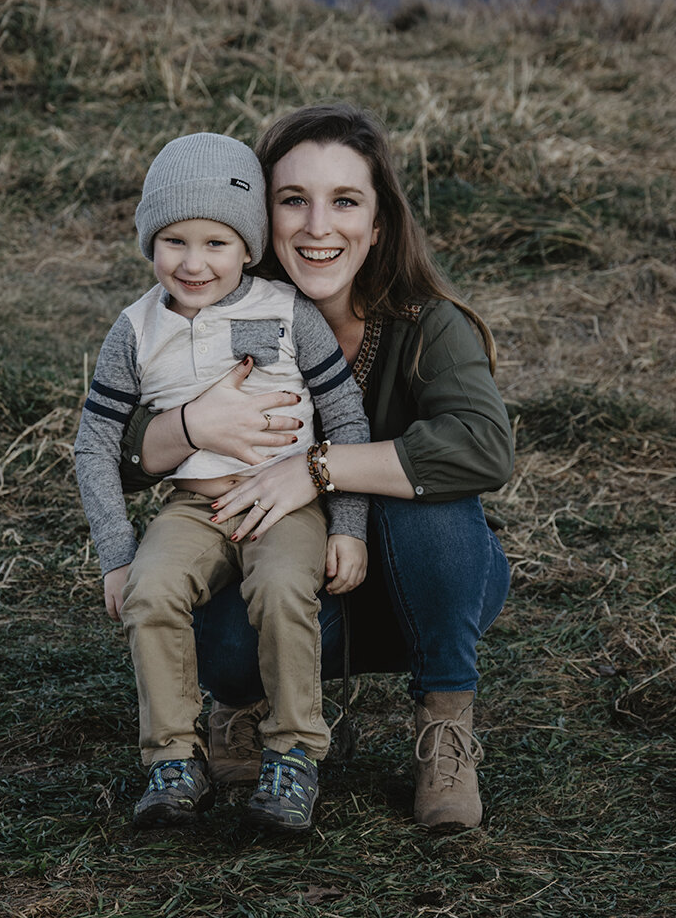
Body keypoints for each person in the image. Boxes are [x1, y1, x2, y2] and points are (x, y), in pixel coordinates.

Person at [117, 104, 513, 831]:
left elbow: (485, 445)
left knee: (430, 498)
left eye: (345, 201)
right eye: (293, 200)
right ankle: (246, 703)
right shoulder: (221, 312)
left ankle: (446, 727)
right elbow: (121, 448)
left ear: (379, 222)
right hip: (287, 592)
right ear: (259, 216)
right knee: (227, 647)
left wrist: (321, 467)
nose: (318, 226)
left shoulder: (428, 324)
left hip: (420, 590)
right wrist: (188, 425)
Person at [72, 132, 370, 833]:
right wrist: (116, 552)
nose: (194, 262)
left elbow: (346, 414)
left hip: (283, 502)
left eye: (217, 243)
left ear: (248, 247)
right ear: (149, 243)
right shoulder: (135, 329)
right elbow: (94, 442)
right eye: (175, 241)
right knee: (151, 591)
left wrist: (349, 524)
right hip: (191, 507)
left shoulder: (287, 311)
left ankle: (294, 754)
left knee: (280, 589)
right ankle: (174, 761)